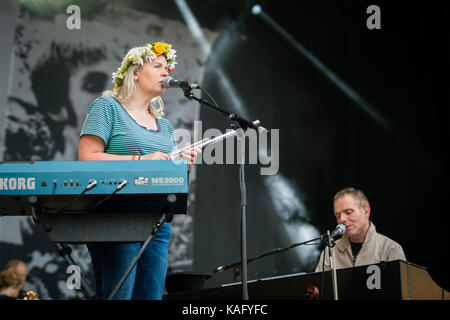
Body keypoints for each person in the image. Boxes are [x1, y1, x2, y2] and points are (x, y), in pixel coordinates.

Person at [78, 41, 200, 300]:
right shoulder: (106, 107)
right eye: (157, 66)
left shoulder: (165, 127)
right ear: (134, 72)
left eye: (168, 68)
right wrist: (141, 159)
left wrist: (181, 165)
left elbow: (164, 176)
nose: (166, 73)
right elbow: (87, 158)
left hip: (156, 221)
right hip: (116, 214)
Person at [315, 187, 406, 272]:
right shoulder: (330, 251)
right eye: (337, 216)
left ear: (366, 211)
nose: (342, 219)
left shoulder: (390, 249)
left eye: (348, 212)